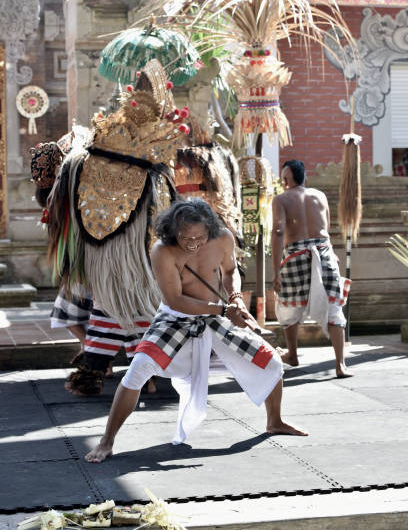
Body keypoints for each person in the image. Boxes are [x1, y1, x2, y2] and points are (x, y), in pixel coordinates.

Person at [85, 198, 307, 463]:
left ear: (209, 230)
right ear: (172, 231)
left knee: (270, 361)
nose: (192, 244)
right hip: (176, 318)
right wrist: (224, 311)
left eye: (199, 238)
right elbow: (175, 299)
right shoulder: (162, 251)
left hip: (218, 315)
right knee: (139, 367)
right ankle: (107, 440)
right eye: (185, 238)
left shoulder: (223, 238)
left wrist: (234, 296)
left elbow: (231, 270)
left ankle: (275, 421)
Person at [272, 160, 352, 378]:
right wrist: (330, 253)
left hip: (296, 256)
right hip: (325, 253)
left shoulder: (281, 199)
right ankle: (340, 364)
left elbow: (278, 232)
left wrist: (276, 271)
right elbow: (325, 227)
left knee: (289, 306)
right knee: (334, 307)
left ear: (285, 180)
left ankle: (292, 354)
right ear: (305, 177)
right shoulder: (320, 195)